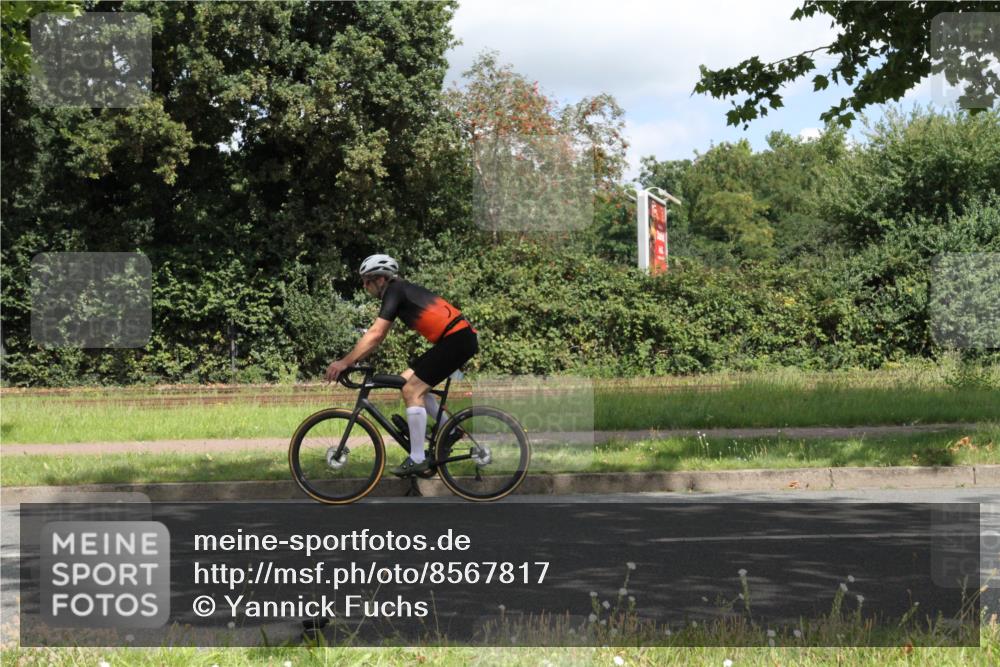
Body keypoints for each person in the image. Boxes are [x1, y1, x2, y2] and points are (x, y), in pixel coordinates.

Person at [324, 254, 478, 476]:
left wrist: (344, 362)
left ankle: (417, 458)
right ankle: (450, 430)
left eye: (368, 280)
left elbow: (375, 334)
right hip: (455, 339)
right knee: (406, 381)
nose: (365, 286)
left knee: (411, 389)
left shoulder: (394, 290)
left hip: (457, 340)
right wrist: (353, 359)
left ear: (381, 279)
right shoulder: (398, 290)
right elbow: (377, 336)